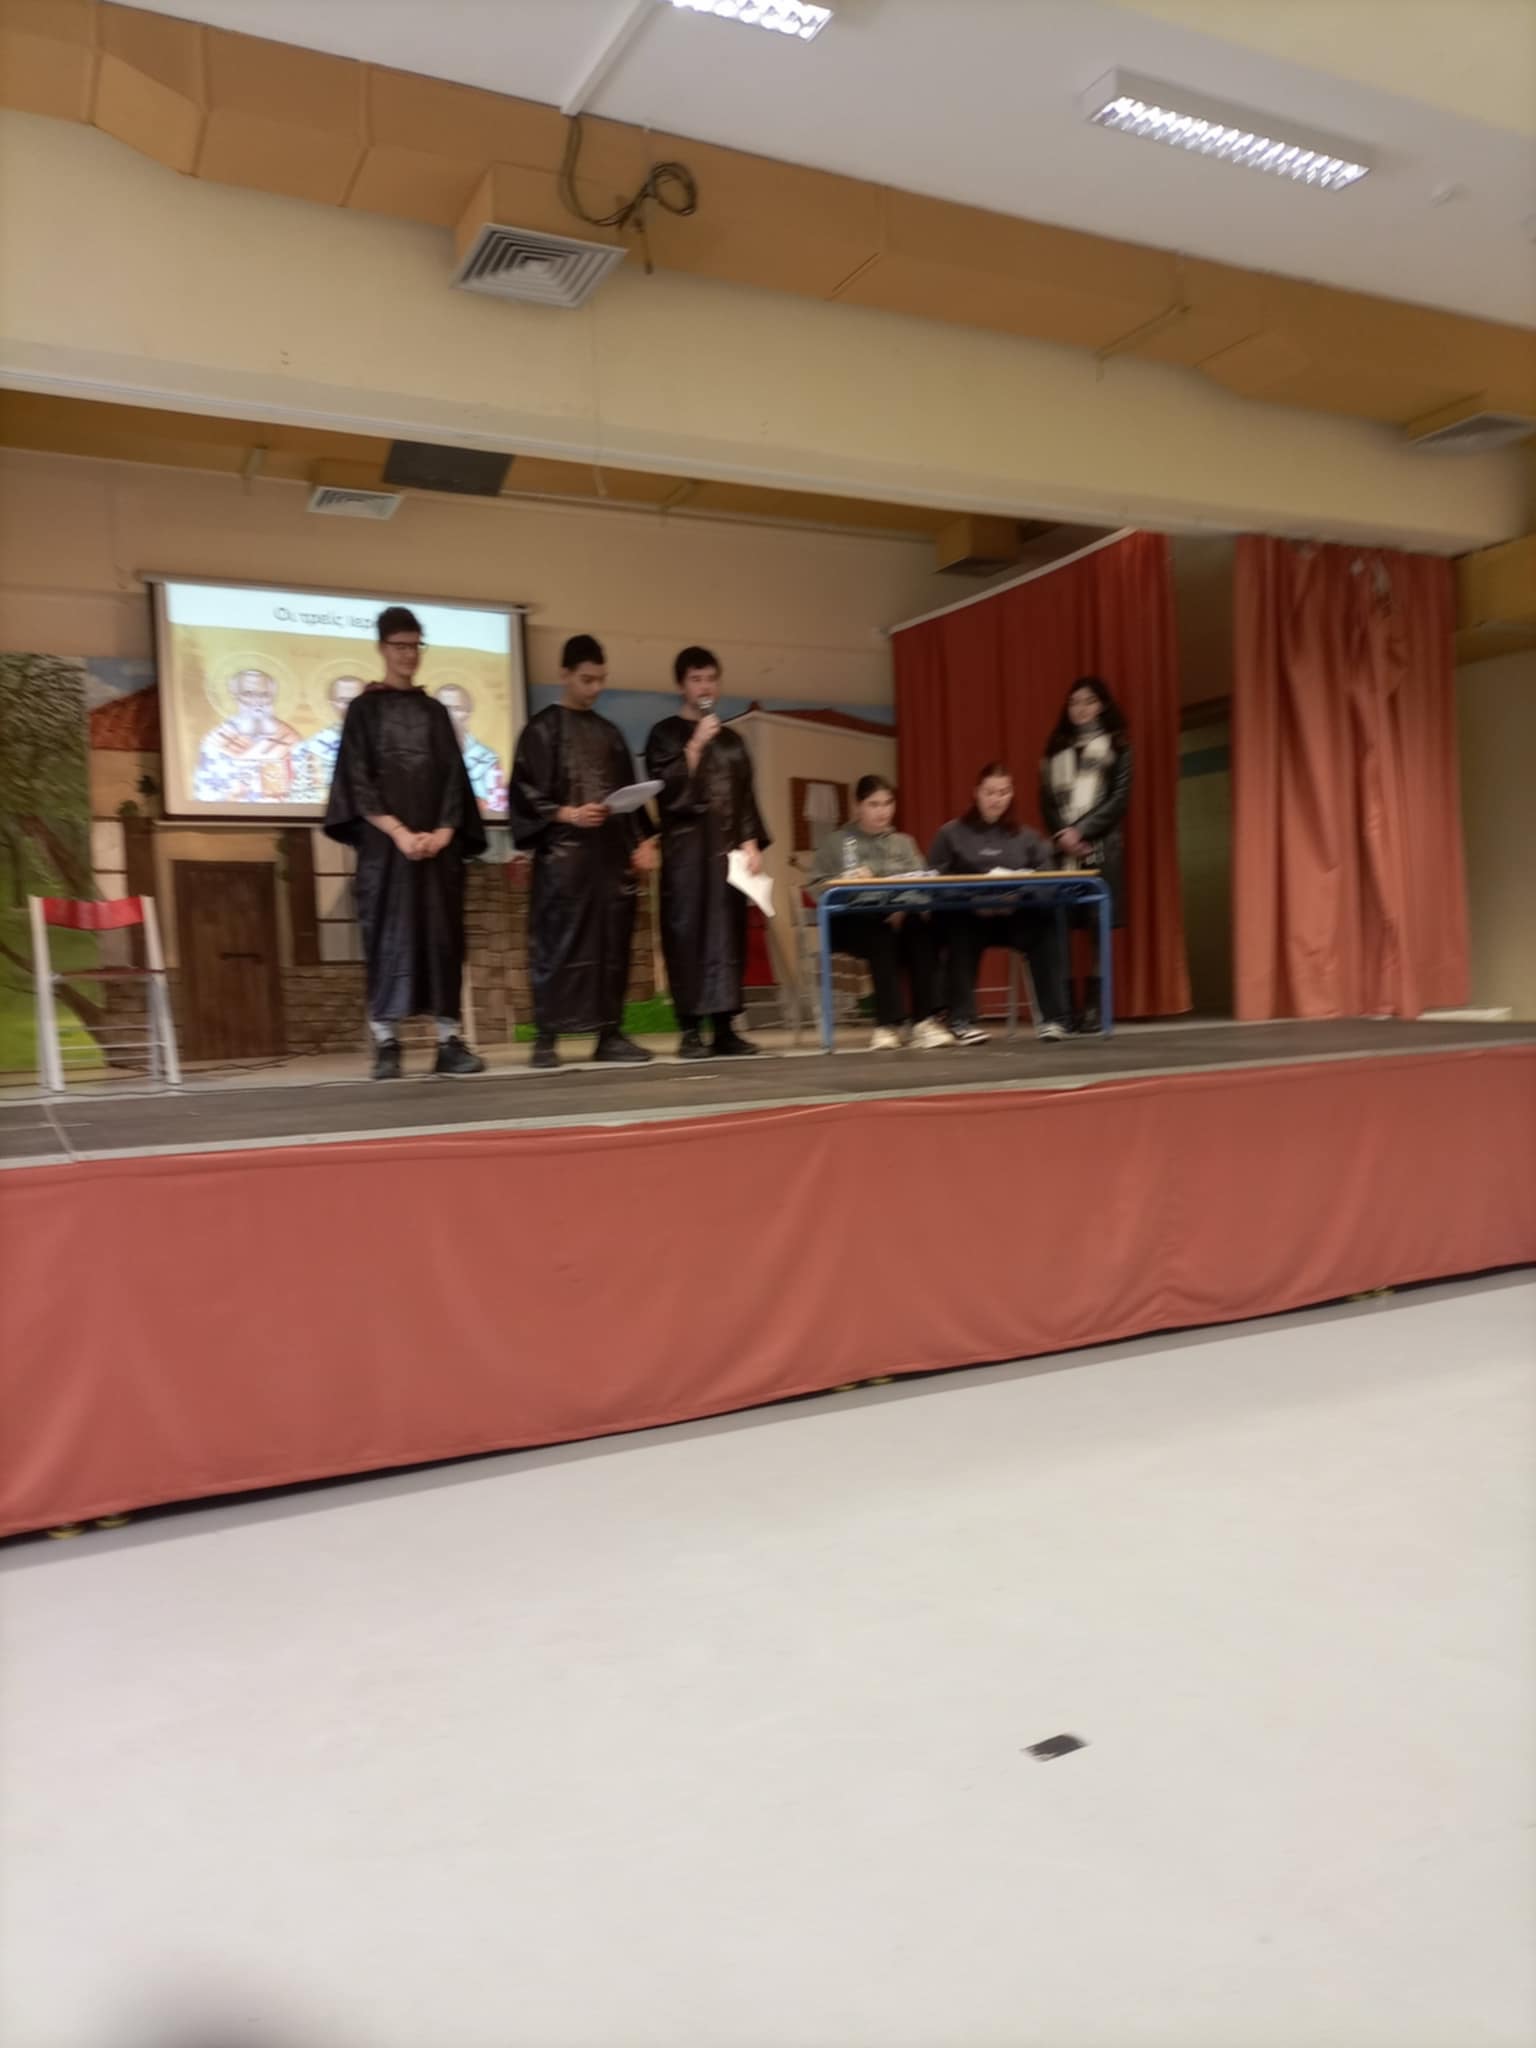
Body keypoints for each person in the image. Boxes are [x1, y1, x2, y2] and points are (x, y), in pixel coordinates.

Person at [323, 606, 487, 1081]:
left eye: (415, 646)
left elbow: (454, 780)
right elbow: (357, 780)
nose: (408, 655)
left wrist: (444, 832)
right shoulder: (363, 711)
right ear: (382, 648)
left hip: (437, 852)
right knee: (387, 940)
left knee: (442, 940)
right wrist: (397, 832)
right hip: (385, 852)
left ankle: (448, 1041)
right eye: (400, 646)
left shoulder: (435, 713)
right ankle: (387, 1043)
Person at [508, 634, 659, 1069]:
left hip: (609, 863)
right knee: (556, 946)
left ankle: (609, 1033)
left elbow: (630, 797)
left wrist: (644, 842)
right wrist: (569, 814)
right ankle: (546, 1037)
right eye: (587, 679)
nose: (595, 688)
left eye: (601, 680)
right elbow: (524, 795)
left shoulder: (610, 735)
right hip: (563, 863)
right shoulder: (541, 730)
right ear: (565, 675)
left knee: (611, 946)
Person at [644, 646, 769, 1059]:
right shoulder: (664, 735)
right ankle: (690, 1030)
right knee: (687, 935)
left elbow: (745, 798)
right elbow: (668, 793)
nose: (705, 687)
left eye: (711, 679)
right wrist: (695, 745)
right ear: (682, 685)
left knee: (728, 938)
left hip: (727, 857)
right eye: (696, 679)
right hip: (686, 859)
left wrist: (751, 843)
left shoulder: (733, 741)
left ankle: (726, 1028)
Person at [928, 762, 1072, 1044]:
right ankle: (961, 1020)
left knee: (1046, 924)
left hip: (1014, 915)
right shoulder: (951, 833)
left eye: (1003, 792)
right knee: (958, 928)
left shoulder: (1027, 837)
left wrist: (1021, 892)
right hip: (970, 915)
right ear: (977, 793)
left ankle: (1055, 1019)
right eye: (990, 792)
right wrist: (971, 895)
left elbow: (1048, 880)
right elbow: (933, 881)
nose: (996, 799)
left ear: (1012, 794)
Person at [809, 775, 950, 1050]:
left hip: (897, 915)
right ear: (858, 806)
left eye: (887, 803)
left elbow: (923, 883)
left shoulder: (904, 843)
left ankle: (924, 1022)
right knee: (880, 934)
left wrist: (901, 908)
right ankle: (887, 1024)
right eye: (874, 804)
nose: (882, 811)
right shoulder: (836, 842)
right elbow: (817, 887)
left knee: (921, 931)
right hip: (851, 919)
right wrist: (844, 881)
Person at [1039, 675, 1134, 1031]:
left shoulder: (1119, 746)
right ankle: (1065, 1009)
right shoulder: (1055, 748)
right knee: (1059, 926)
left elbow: (1119, 800)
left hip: (1101, 849)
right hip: (1062, 852)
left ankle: (1095, 1008)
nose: (1080, 709)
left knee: (1098, 928)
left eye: (1088, 701)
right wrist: (1062, 835)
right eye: (1074, 702)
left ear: (1102, 705)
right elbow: (1046, 801)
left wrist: (1081, 831)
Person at [193, 668, 300, 803]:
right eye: (248, 694)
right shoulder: (217, 741)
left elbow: (304, 788)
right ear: (235, 695)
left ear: (272, 697)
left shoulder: (289, 739)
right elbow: (205, 793)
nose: (257, 701)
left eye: (264, 694)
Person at [289, 673, 364, 804]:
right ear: (332, 703)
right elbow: (301, 796)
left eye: (356, 700)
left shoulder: (383, 743)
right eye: (343, 700)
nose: (350, 706)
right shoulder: (313, 748)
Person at [435, 683, 508, 815]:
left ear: (468, 713)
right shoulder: (425, 755)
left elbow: (500, 807)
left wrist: (480, 805)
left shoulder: (487, 759)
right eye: (443, 708)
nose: (449, 714)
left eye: (457, 708)